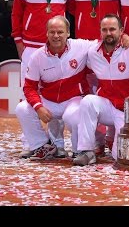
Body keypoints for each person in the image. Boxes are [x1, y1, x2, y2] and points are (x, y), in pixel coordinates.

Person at [64, 14, 129, 166]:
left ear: (121, 31)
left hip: (125, 111)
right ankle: (86, 151)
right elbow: (72, 47)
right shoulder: (93, 51)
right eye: (104, 30)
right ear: (100, 32)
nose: (108, 33)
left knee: (119, 156)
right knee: (88, 101)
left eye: (112, 29)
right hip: (106, 105)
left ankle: (113, 143)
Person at [11, 0, 74, 158]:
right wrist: (18, 41)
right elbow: (16, 12)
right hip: (30, 44)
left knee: (56, 94)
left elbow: (74, 7)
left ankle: (57, 144)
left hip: (57, 45)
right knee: (26, 95)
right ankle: (31, 143)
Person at [15, 15, 94, 160]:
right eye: (52, 32)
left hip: (73, 99)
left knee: (73, 116)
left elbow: (103, 44)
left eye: (60, 32)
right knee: (22, 109)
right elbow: (29, 87)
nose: (56, 36)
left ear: (68, 33)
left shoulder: (81, 46)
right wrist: (38, 107)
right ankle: (43, 146)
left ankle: (80, 150)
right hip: (49, 101)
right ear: (46, 33)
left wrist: (123, 38)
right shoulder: (37, 56)